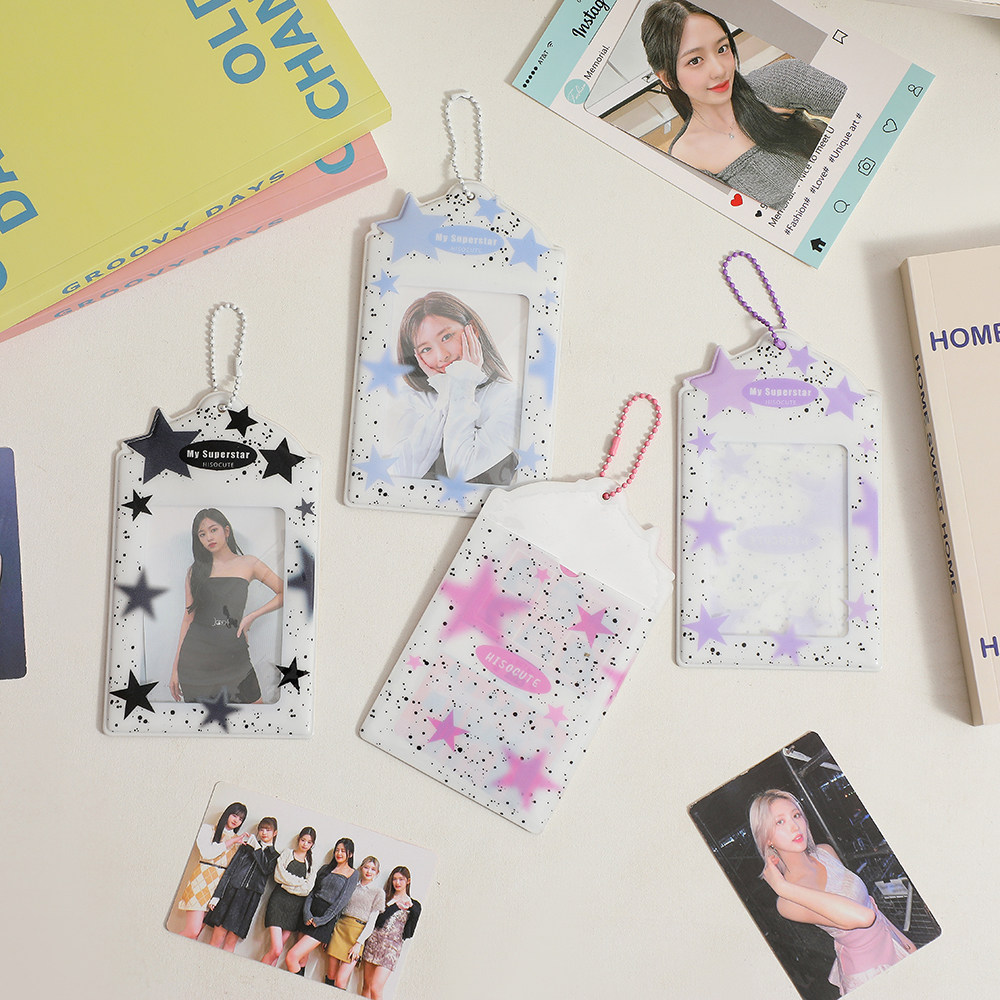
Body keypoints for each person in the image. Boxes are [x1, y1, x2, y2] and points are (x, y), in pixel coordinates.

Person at [641, 1, 846, 210]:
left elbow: (858, 97)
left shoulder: (775, 82)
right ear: (667, 78)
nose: (719, 70)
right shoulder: (685, 161)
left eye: (722, 48)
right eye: (695, 61)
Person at [749, 789, 915, 995]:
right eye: (780, 822)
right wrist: (783, 887)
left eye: (796, 815)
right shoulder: (788, 902)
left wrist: (904, 941)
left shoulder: (824, 852)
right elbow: (863, 917)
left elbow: (870, 906)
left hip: (893, 944)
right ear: (767, 839)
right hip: (870, 972)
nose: (794, 826)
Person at [386, 291, 519, 485]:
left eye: (447, 337)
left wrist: (464, 383)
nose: (442, 356)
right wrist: (446, 396)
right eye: (426, 349)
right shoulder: (415, 401)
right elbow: (399, 474)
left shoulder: (511, 399)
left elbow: (461, 470)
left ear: (473, 330)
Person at [169, 508, 283, 704]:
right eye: (202, 534)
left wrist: (251, 617)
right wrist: (175, 669)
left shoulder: (249, 563)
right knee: (204, 721)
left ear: (226, 531)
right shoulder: (194, 572)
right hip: (195, 663)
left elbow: (284, 592)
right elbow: (188, 619)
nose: (209, 537)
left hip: (235, 658)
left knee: (256, 714)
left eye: (213, 530)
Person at [285, 838, 359, 975]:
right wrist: (307, 913)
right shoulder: (326, 868)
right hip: (310, 913)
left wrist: (322, 920)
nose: (339, 853)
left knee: (291, 957)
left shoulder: (353, 873)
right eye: (337, 850)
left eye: (343, 851)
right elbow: (312, 892)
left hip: (325, 920)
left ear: (350, 854)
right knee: (301, 959)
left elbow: (341, 902)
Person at [204, 816, 280, 951]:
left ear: (275, 833)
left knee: (230, 943)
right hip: (231, 893)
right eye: (261, 829)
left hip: (248, 900)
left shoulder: (275, 856)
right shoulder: (246, 847)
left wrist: (257, 848)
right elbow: (230, 870)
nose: (264, 833)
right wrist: (217, 895)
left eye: (268, 830)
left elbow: (266, 869)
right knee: (216, 938)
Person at [176, 802, 249, 940]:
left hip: (217, 889)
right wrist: (230, 842)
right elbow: (206, 853)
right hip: (201, 881)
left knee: (196, 934)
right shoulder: (208, 829)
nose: (236, 820)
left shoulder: (238, 840)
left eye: (240, 819)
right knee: (192, 931)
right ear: (227, 813)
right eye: (234, 815)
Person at [361, 866, 421, 1000]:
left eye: (401, 879)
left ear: (408, 881)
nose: (397, 883)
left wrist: (411, 909)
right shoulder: (385, 898)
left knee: (376, 987)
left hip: (391, 948)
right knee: (367, 985)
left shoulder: (414, 905)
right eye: (394, 879)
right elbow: (377, 922)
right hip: (374, 942)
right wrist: (395, 906)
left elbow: (409, 933)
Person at [326, 856, 385, 989]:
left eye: (373, 869)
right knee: (330, 975)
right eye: (366, 867)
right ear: (361, 868)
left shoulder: (378, 893)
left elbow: (372, 922)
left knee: (340, 981)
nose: (369, 871)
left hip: (357, 935)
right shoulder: (351, 886)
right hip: (340, 929)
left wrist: (359, 943)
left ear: (377, 872)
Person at [262, 826, 318, 967]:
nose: (305, 844)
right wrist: (299, 883)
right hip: (278, 903)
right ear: (298, 839)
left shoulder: (311, 864)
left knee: (278, 952)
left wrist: (287, 884)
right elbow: (278, 876)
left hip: (295, 909)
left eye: (309, 842)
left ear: (312, 844)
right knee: (276, 949)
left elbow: (307, 889)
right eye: (303, 840)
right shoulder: (287, 853)